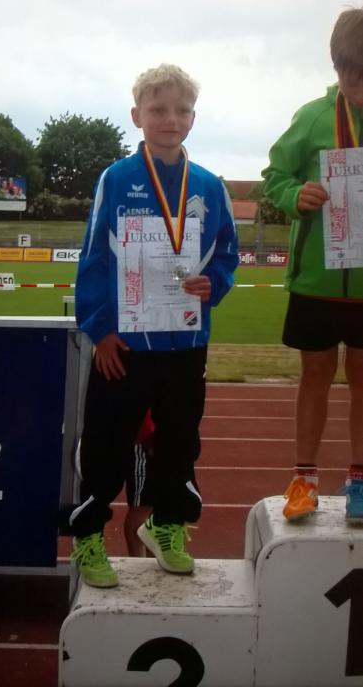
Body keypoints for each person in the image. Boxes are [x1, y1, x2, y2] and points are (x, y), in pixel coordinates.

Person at [61, 63, 238, 588]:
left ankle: (167, 524)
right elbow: (93, 257)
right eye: (158, 109)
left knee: (180, 442)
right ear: (137, 115)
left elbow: (227, 254)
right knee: (106, 443)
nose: (170, 119)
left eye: (182, 110)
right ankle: (89, 534)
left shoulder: (209, 185)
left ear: (193, 118)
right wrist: (99, 330)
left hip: (185, 341)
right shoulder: (116, 179)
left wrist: (214, 283)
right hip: (125, 344)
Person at [262, 8, 363, 525]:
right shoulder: (312, 117)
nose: (360, 88)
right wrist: (295, 194)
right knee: (316, 374)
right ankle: (303, 479)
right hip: (316, 280)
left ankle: (360, 481)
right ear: (337, 66)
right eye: (353, 76)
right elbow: (274, 176)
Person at [123, 409, 155, 557]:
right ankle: (138, 562)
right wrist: (147, 437)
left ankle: (152, 560)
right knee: (142, 508)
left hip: (158, 441)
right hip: (143, 445)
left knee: (156, 509)